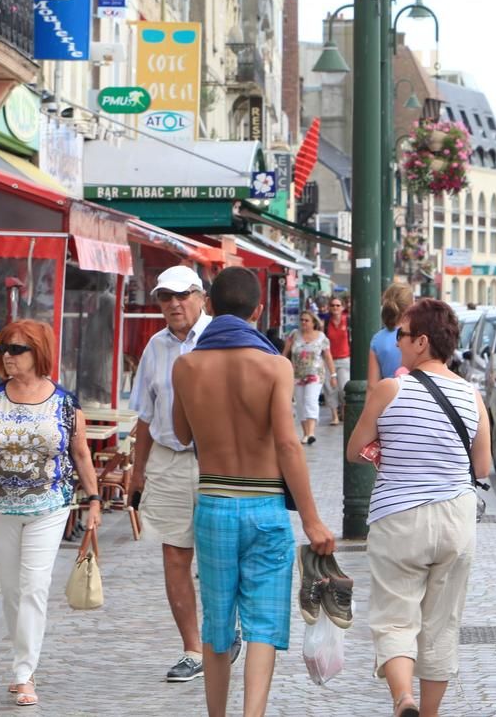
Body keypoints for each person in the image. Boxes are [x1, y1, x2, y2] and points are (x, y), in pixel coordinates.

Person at [171, 266, 336, 717]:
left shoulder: (186, 365)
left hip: (214, 504)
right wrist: (312, 518)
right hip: (265, 506)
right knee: (263, 624)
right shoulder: (275, 366)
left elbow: (182, 434)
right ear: (258, 310)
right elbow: (287, 443)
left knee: (218, 624)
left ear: (209, 306)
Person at [0, 318, 102, 707]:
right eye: (3, 349)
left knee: (33, 586)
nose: (7, 356)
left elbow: (80, 453)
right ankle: (22, 660)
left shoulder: (65, 402)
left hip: (50, 505)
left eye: (16, 349)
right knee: (12, 590)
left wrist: (94, 500)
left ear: (38, 353)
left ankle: (23, 673)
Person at [346, 298, 491, 717]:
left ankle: (402, 698)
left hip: (399, 517)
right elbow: (481, 466)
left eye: (402, 335)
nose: (398, 341)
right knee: (442, 624)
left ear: (422, 342)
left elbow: (356, 450)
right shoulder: (471, 396)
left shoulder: (391, 389)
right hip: (456, 519)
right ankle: (428, 713)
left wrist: (387, 451)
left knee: (394, 617)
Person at [130, 265, 241, 681]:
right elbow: (144, 414)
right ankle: (193, 649)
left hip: (218, 460)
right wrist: (137, 473)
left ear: (200, 296)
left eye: (181, 295)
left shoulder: (222, 338)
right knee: (175, 555)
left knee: (220, 552)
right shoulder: (154, 346)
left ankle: (225, 631)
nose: (173, 304)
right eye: (164, 297)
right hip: (169, 459)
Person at [281, 311, 335, 444]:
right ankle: (305, 433)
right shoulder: (294, 335)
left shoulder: (321, 337)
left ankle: (311, 432)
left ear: (313, 323)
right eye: (302, 320)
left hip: (315, 374)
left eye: (306, 320)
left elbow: (328, 357)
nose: (303, 323)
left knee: (310, 400)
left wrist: (333, 375)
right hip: (297, 374)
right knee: (300, 403)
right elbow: (285, 353)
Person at [368, 283, 415, 385]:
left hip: (388, 397)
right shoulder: (420, 335)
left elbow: (372, 385)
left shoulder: (377, 339)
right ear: (411, 306)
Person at [325, 296, 351, 423]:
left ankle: (344, 411)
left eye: (338, 305)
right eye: (333, 305)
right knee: (330, 389)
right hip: (328, 360)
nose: (335, 308)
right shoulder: (326, 323)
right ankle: (334, 416)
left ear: (343, 307)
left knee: (343, 387)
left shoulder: (348, 321)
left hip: (344, 359)